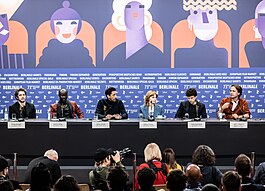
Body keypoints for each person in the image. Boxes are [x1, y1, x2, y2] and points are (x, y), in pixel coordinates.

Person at [37, 1, 94, 68]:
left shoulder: (83, 53)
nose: (66, 29)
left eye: (72, 23)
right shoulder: (48, 53)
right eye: (59, 24)